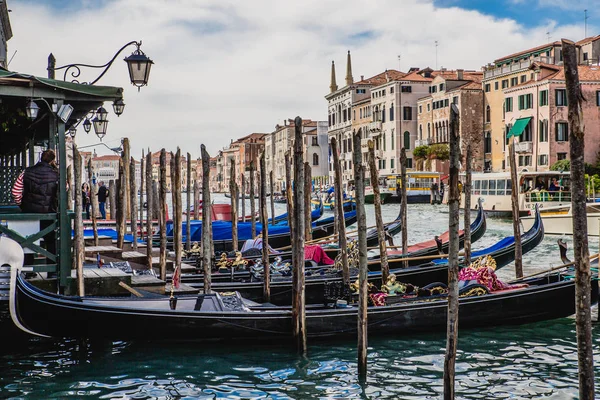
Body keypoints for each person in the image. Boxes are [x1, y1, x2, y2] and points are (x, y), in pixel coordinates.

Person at [12, 149, 59, 262]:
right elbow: (65, 189)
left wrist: (22, 205)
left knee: (28, 239)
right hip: (48, 212)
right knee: (51, 240)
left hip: (29, 212)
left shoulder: (26, 172)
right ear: (52, 160)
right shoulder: (56, 174)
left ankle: (29, 269)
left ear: (41, 158)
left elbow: (15, 191)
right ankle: (51, 270)